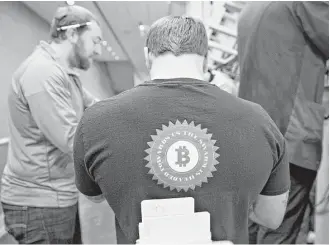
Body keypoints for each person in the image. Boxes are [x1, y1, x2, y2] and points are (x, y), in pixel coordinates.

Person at [73, 16, 290, 244]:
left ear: (148, 56)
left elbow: (95, 197)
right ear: (205, 59)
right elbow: (272, 216)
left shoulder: (96, 121)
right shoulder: (260, 122)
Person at [1, 5, 102, 244]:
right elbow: (70, 139)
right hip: (39, 203)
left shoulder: (65, 75)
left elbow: (99, 109)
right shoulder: (43, 72)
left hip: (56, 197)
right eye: (95, 40)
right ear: (71, 35)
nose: (98, 50)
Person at [237, 1, 329, 244]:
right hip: (289, 135)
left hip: (251, 135)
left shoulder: (250, 8)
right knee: (279, 233)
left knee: (252, 229)